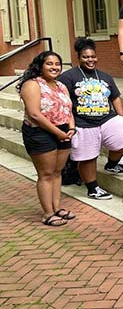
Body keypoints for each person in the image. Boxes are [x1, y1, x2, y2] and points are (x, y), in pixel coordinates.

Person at [59, 37, 123, 200]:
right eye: (86, 57)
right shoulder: (69, 77)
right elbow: (63, 102)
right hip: (83, 123)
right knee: (88, 156)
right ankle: (92, 188)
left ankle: (112, 165)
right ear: (78, 57)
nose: (90, 60)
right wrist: (69, 124)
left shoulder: (105, 76)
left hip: (106, 118)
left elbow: (115, 97)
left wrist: (122, 118)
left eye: (93, 56)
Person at [18, 51, 75, 226]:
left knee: (58, 172)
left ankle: (57, 208)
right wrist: (58, 133)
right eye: (49, 63)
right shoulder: (32, 85)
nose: (54, 67)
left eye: (57, 63)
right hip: (40, 133)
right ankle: (48, 213)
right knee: (46, 174)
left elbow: (68, 109)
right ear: (40, 65)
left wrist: (71, 127)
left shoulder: (61, 86)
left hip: (64, 131)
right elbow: (34, 114)